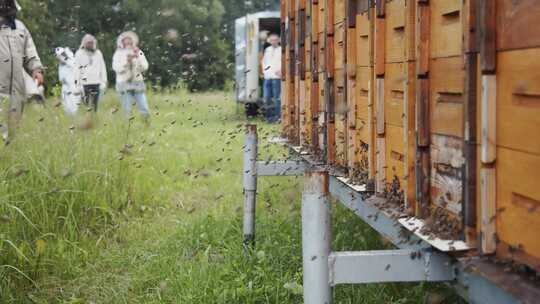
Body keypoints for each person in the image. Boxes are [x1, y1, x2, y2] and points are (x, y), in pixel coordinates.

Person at [0, 0, 43, 143]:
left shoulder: (20, 27)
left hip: (17, 88)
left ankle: (8, 158)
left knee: (13, 127)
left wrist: (36, 69)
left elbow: (30, 51)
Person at [112, 31, 150, 121]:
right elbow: (116, 68)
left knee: (144, 106)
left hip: (137, 82)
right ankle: (126, 126)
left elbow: (145, 67)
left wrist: (138, 58)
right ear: (122, 41)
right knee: (127, 108)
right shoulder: (118, 53)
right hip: (123, 82)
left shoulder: (138, 51)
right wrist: (127, 62)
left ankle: (146, 123)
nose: (128, 42)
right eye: (126, 40)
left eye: (129, 39)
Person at [75, 34, 107, 112]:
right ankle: (87, 120)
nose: (90, 44)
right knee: (86, 104)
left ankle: (94, 118)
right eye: (88, 43)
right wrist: (77, 84)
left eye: (91, 43)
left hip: (96, 82)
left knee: (95, 104)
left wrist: (104, 81)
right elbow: (76, 69)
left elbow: (102, 67)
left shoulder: (98, 53)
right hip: (84, 83)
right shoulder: (79, 53)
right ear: (84, 43)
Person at [261, 33, 282, 123]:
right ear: (269, 41)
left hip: (276, 77)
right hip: (267, 77)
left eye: (275, 40)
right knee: (267, 98)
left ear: (278, 40)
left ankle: (277, 117)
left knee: (277, 98)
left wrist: (281, 70)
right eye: (272, 40)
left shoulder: (281, 50)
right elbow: (263, 61)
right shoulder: (267, 50)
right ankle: (269, 118)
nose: (273, 42)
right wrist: (264, 71)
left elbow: (284, 61)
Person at [55, 47, 81, 116]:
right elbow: (61, 78)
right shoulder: (60, 66)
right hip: (65, 88)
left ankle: (74, 120)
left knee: (74, 106)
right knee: (66, 108)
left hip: (73, 87)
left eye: (61, 56)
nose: (60, 58)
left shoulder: (71, 61)